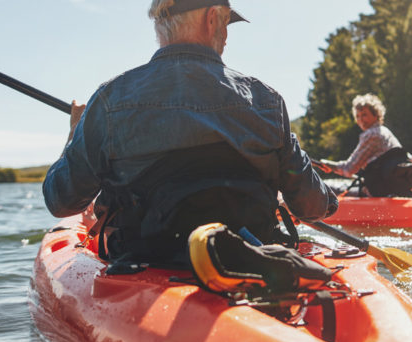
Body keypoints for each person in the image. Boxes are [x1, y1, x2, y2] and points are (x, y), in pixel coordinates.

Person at [42, 0, 338, 275]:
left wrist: (74, 134)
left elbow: (61, 200)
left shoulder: (109, 100)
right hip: (249, 262)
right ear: (211, 19)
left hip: (145, 264)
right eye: (225, 23)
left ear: (160, 25)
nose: (226, 36)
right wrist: (328, 199)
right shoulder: (266, 101)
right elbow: (311, 208)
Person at [314, 94, 412, 197]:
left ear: (376, 114)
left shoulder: (371, 134)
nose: (360, 120)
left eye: (364, 114)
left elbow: (349, 169)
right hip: (393, 190)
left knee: (321, 187)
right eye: (357, 116)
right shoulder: (385, 132)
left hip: (375, 192)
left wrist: (330, 165)